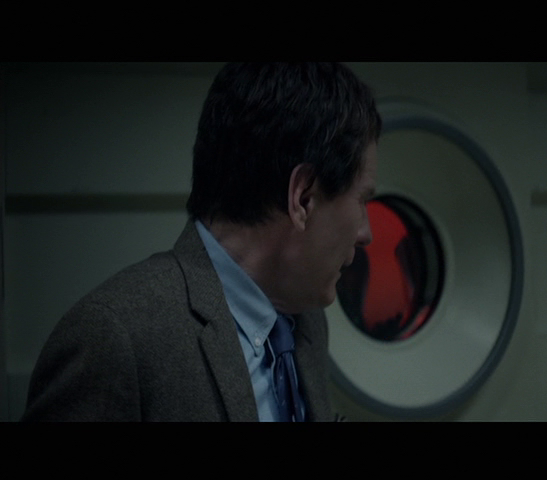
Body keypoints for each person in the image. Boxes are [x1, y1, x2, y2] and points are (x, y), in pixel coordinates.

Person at [21, 62, 381, 421]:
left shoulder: (306, 324)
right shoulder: (114, 338)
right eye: (361, 200)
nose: (366, 233)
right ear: (303, 198)